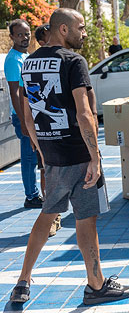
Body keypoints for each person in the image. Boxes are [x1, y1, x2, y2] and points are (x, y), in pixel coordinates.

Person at [10, 8, 129, 305]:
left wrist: (43, 152)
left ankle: (22, 281)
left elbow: (29, 117)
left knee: (47, 216)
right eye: (80, 27)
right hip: (78, 153)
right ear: (63, 29)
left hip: (52, 154)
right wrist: (95, 157)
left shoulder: (29, 63)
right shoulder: (73, 61)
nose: (84, 32)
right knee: (86, 221)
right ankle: (96, 285)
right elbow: (83, 112)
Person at [4, 19, 43, 209]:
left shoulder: (25, 56)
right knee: (29, 157)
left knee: (33, 156)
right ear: (11, 36)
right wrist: (23, 120)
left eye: (26, 33)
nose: (24, 37)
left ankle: (34, 193)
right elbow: (15, 92)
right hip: (23, 117)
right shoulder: (13, 60)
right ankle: (31, 196)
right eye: (19, 34)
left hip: (31, 115)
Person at [33, 22, 61, 237]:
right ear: (42, 42)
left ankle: (55, 213)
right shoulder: (31, 62)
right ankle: (52, 215)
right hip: (44, 128)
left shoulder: (64, 60)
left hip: (61, 129)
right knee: (46, 170)